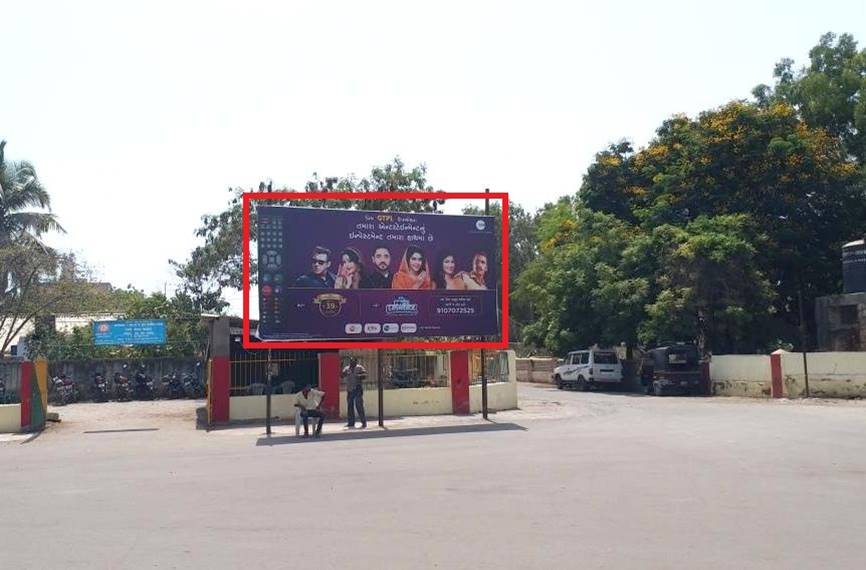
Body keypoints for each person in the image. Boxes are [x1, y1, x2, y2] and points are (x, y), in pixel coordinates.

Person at [342, 357, 367, 428]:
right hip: (350, 390)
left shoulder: (359, 368)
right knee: (350, 407)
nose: (352, 363)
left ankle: (363, 422)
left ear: (356, 362)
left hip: (358, 389)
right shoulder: (347, 368)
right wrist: (342, 370)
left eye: (353, 361)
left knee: (359, 406)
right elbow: (342, 375)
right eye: (351, 361)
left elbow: (365, 375)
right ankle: (351, 422)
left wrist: (359, 376)